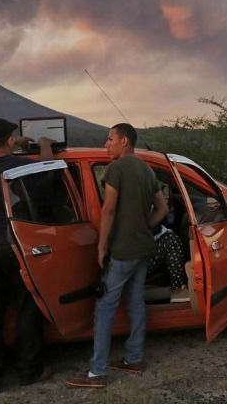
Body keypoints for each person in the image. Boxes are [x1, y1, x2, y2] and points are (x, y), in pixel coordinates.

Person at [65, 123, 168, 388]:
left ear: (124, 141)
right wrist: (145, 225)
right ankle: (134, 358)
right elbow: (163, 208)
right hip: (144, 248)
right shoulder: (146, 169)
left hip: (122, 251)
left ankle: (97, 372)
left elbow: (108, 209)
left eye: (110, 139)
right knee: (135, 302)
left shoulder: (116, 169)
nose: (106, 144)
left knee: (105, 308)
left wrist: (101, 246)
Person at [0, 118, 53, 395]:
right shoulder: (17, 167)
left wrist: (13, 145)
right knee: (27, 309)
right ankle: (30, 370)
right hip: (14, 248)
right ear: (9, 140)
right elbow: (48, 169)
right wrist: (43, 145)